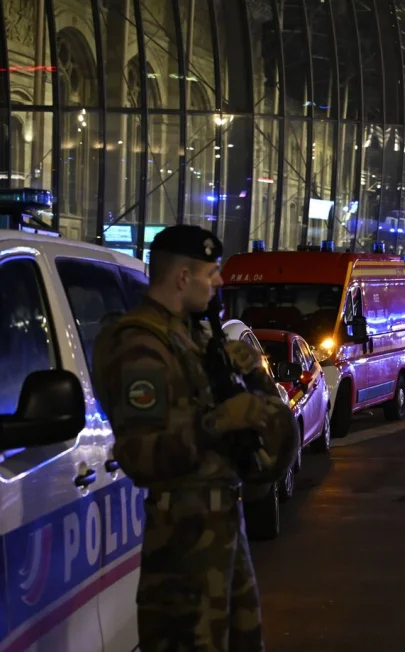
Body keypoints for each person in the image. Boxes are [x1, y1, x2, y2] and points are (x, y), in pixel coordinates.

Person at [92, 225, 295, 651]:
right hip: (183, 543)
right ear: (183, 278)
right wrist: (219, 421)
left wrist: (253, 373)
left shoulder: (192, 338)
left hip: (221, 529)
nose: (219, 282)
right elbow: (140, 456)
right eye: (212, 272)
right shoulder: (140, 347)